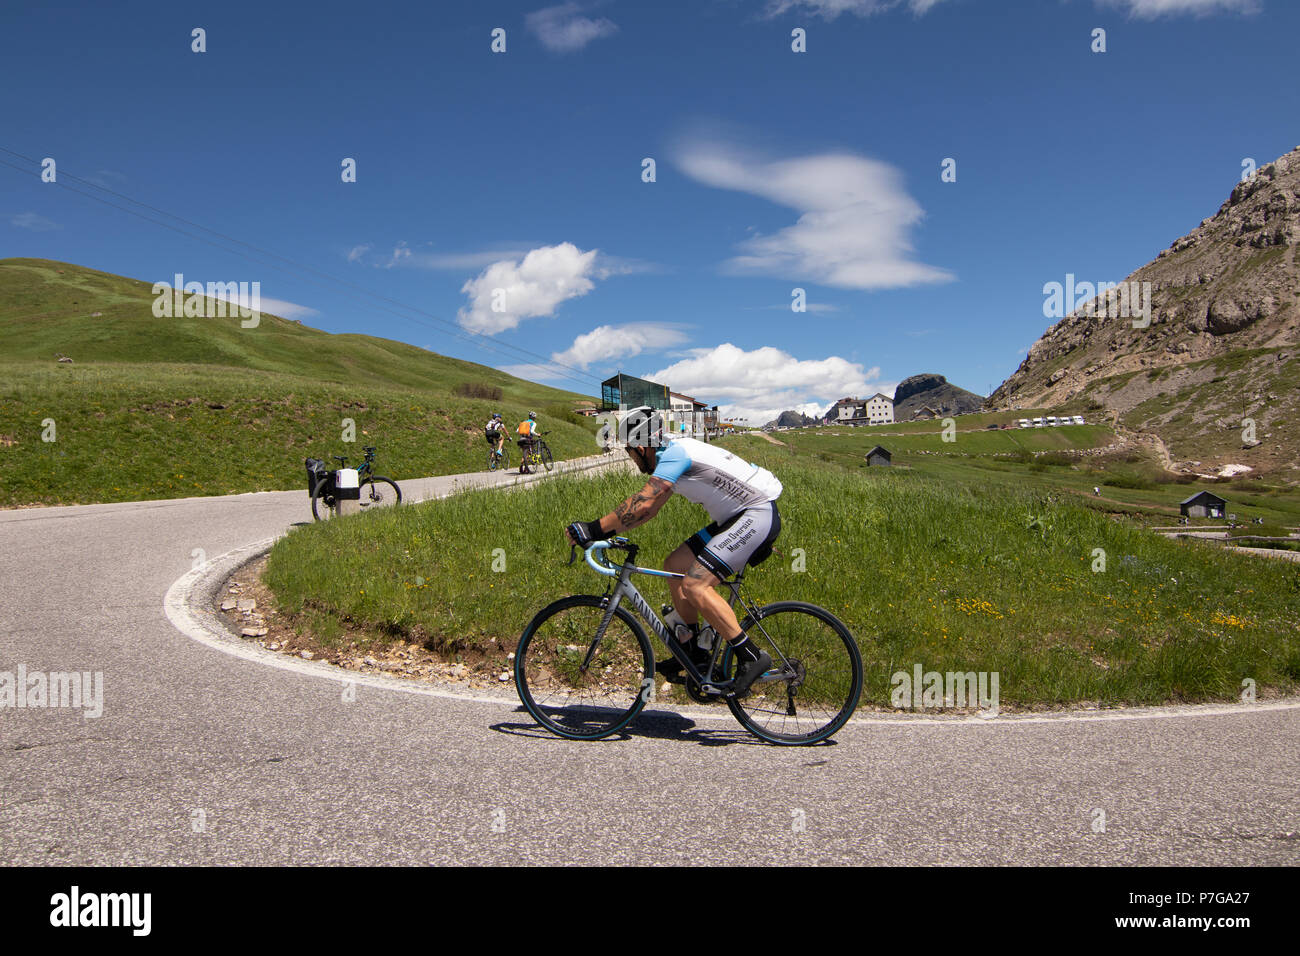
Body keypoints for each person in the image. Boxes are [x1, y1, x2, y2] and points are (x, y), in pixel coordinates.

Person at [564, 406, 782, 698]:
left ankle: (750, 656)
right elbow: (648, 510)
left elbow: (642, 503)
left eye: (630, 452)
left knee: (695, 584)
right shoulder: (670, 454)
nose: (631, 459)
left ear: (641, 447)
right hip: (735, 517)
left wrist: (592, 529)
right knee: (675, 564)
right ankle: (695, 653)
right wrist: (606, 532)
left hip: (756, 513)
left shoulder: (675, 455)